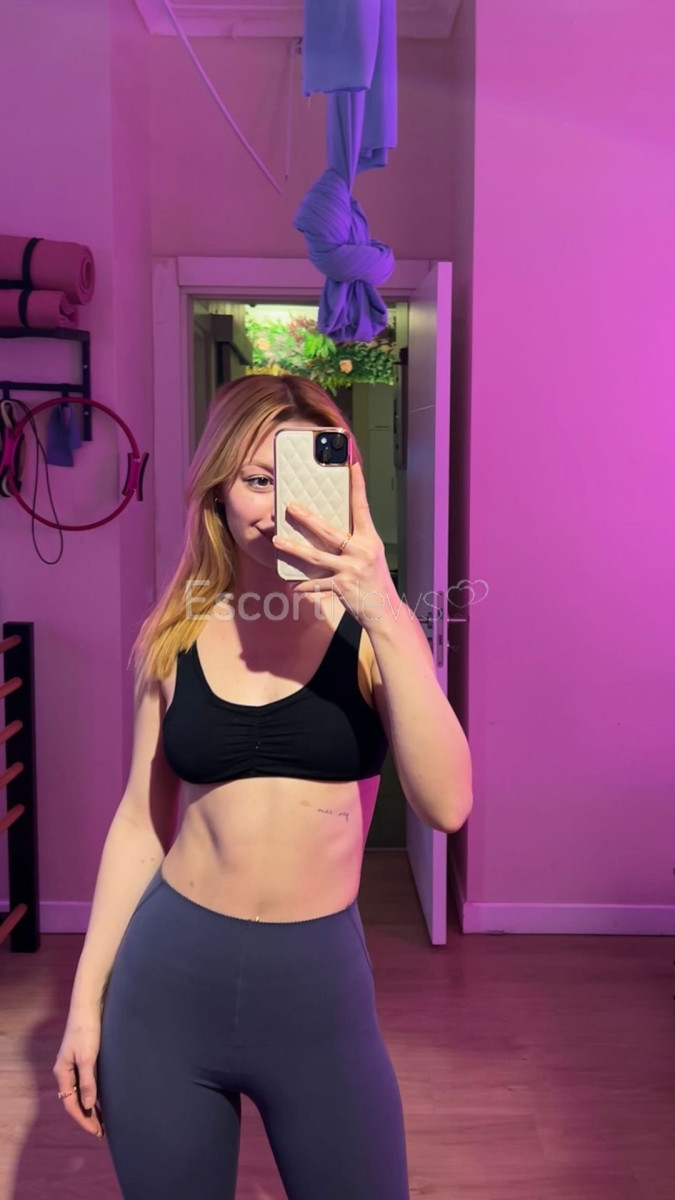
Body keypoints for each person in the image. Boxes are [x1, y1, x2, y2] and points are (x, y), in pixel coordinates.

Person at [53, 374, 473, 1199]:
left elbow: (447, 805)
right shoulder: (174, 632)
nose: (279, 504)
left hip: (318, 995)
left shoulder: (374, 634)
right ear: (217, 486)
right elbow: (139, 824)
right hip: (166, 983)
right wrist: (84, 1004)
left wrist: (383, 605)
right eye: (255, 477)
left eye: (302, 474)